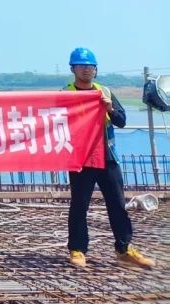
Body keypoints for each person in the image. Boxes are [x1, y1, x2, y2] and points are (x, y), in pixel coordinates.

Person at [64, 47, 155, 268]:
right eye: (81, 66)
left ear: (95, 70)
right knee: (79, 205)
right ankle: (77, 249)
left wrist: (110, 109)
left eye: (90, 66)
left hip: (107, 157)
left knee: (117, 204)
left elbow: (121, 121)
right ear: (73, 69)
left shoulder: (103, 91)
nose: (86, 70)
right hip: (81, 160)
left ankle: (124, 248)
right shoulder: (66, 94)